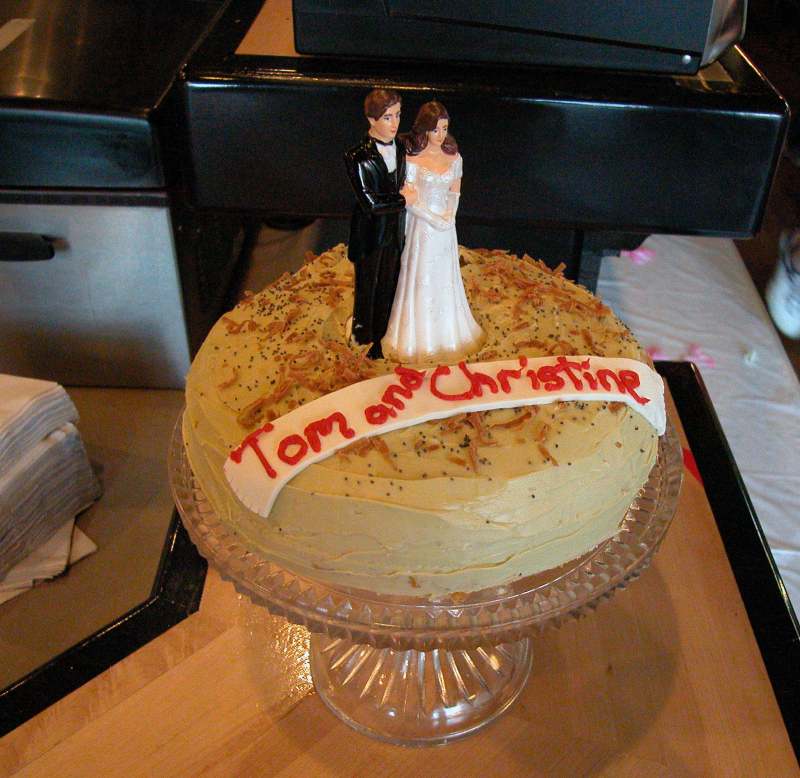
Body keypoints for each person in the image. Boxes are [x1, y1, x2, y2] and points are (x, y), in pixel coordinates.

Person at [381, 101, 484, 362]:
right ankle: (419, 339)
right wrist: (433, 219)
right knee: (422, 276)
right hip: (422, 227)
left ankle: (447, 333)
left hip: (446, 228)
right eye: (435, 130)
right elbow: (411, 201)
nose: (441, 135)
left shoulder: (455, 157)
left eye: (445, 129)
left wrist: (450, 216)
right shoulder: (413, 160)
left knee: (445, 277)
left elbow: (455, 192)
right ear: (425, 130)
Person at [344, 89, 406, 359]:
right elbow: (370, 202)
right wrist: (404, 199)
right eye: (387, 117)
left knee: (390, 285)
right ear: (371, 120)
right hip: (369, 235)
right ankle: (361, 337)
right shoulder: (356, 156)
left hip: (396, 233)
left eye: (398, 116)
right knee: (367, 287)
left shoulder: (402, 148)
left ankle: (382, 340)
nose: (394, 124)